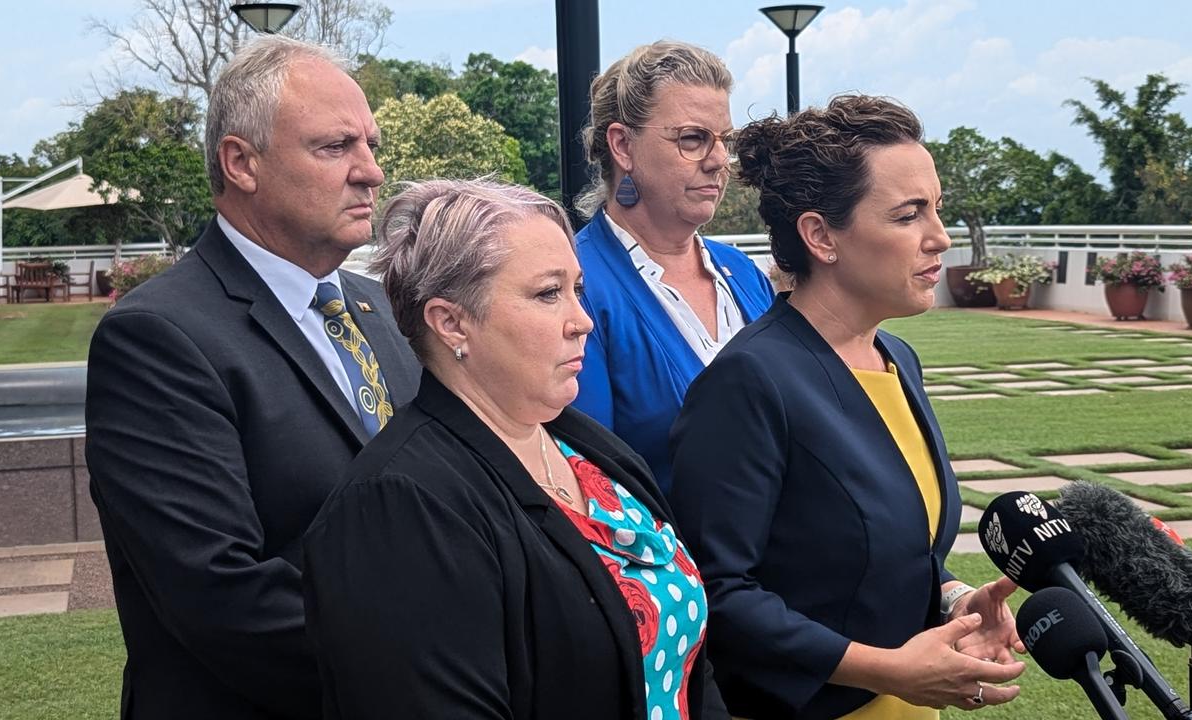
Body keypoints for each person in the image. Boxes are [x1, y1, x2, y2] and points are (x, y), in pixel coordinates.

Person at [303, 179, 727, 720]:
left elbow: (692, 667)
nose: (583, 321)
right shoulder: (399, 506)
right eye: (548, 294)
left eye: (578, 289)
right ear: (451, 322)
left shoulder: (588, 447)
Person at [85, 36, 419, 720]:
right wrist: (434, 664)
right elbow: (220, 594)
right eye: (336, 147)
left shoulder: (381, 309)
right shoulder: (158, 338)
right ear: (242, 162)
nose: (371, 173)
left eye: (372, 146)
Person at [668, 96, 1025, 720]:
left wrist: (953, 599)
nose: (938, 237)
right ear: (820, 236)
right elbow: (718, 593)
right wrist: (887, 668)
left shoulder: (896, 359)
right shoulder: (751, 382)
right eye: (909, 215)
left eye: (934, 210)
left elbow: (894, 550)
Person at [571, 41, 774, 493]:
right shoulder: (575, 285)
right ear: (622, 146)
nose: (720, 160)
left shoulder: (743, 274)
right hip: (663, 559)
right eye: (692, 138)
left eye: (726, 141)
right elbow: (591, 478)